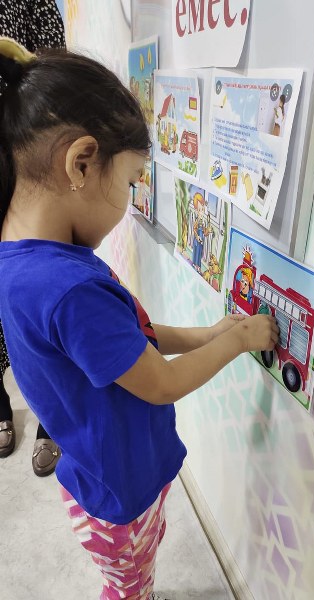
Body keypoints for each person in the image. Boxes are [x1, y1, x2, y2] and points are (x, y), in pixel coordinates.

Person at [0, 38, 279, 600]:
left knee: (134, 575)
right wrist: (240, 340)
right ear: (81, 163)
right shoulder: (69, 289)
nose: (131, 198)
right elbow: (160, 382)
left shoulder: (31, 259)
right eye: (131, 181)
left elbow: (128, 342)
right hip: (119, 494)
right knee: (129, 588)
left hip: (97, 476)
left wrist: (207, 334)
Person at [0, 0, 65, 475]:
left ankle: (53, 417)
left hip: (22, 160)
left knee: (45, 303)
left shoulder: (29, 3)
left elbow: (52, 80)